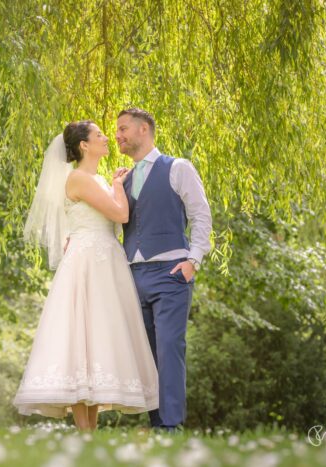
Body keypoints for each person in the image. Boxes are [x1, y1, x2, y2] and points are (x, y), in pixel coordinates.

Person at [13, 120, 158, 431]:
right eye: (99, 135)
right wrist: (118, 185)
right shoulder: (79, 178)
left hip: (104, 259)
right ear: (84, 146)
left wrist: (113, 184)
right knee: (81, 340)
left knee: (97, 340)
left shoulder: (95, 179)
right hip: (88, 263)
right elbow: (120, 214)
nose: (107, 138)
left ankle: (89, 434)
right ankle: (84, 433)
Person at [115, 108, 212, 432]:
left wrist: (193, 261)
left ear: (144, 130)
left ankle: (170, 428)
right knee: (146, 353)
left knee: (170, 348)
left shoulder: (178, 168)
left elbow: (201, 216)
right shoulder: (124, 179)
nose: (118, 135)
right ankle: (157, 423)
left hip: (171, 271)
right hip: (134, 274)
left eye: (124, 129)